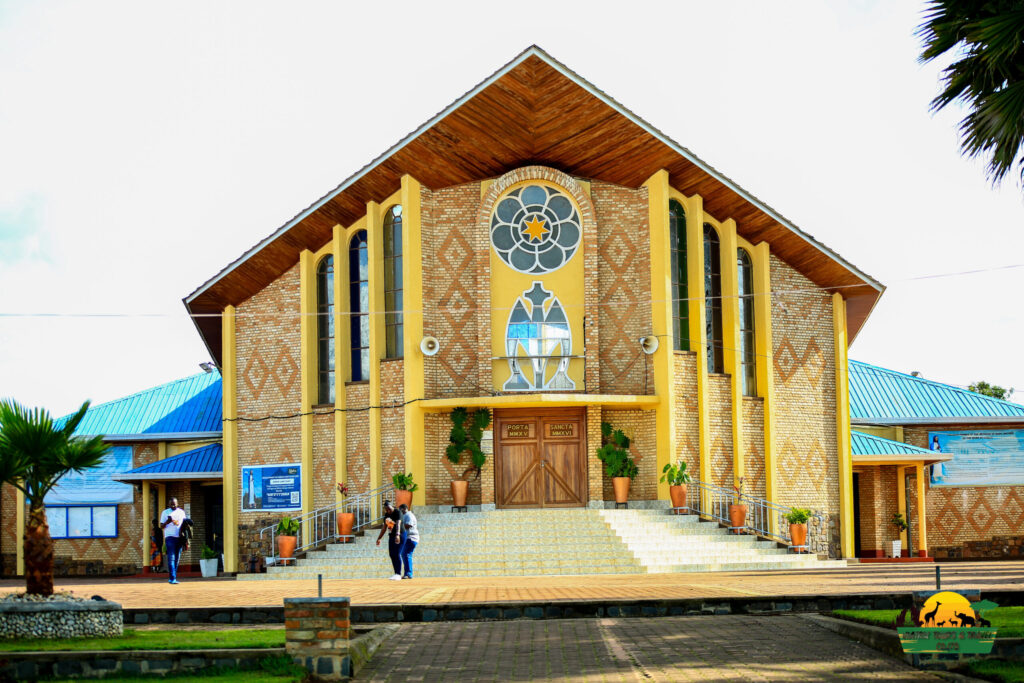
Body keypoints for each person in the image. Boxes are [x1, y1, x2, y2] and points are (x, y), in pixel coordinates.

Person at [160, 498, 187, 584]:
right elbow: (161, 526)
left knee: (177, 559)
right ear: (168, 504)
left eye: (174, 504)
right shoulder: (165, 512)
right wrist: (167, 522)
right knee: (171, 557)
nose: (173, 505)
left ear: (177, 504)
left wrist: (186, 539)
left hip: (179, 537)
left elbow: (185, 525)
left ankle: (173, 576)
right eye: (171, 504)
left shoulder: (181, 512)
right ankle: (172, 578)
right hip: (170, 537)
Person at [375, 500, 403, 580]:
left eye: (389, 509)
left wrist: (397, 535)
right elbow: (384, 528)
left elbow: (398, 524)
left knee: (397, 553)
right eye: (386, 509)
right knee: (392, 554)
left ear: (392, 506)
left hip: (400, 535)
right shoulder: (387, 515)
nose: (388, 511)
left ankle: (398, 574)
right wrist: (379, 538)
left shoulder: (398, 512)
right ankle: (396, 573)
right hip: (392, 536)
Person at [398, 504, 418, 580]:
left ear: (404, 508)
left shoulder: (409, 515)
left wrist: (399, 525)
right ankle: (407, 573)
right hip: (409, 538)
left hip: (411, 537)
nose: (400, 511)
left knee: (406, 554)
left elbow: (409, 525)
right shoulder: (405, 515)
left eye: (400, 509)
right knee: (405, 554)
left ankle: (408, 573)